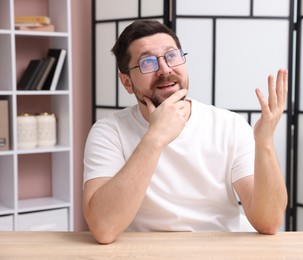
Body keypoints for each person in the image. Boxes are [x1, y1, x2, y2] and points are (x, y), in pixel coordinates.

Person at [83, 20, 288, 244]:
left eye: (172, 56)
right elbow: (103, 228)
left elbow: (268, 222)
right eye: (148, 62)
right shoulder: (108, 132)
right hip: (143, 251)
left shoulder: (229, 125)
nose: (165, 69)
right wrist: (155, 138)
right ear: (127, 83)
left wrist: (265, 141)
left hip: (221, 250)